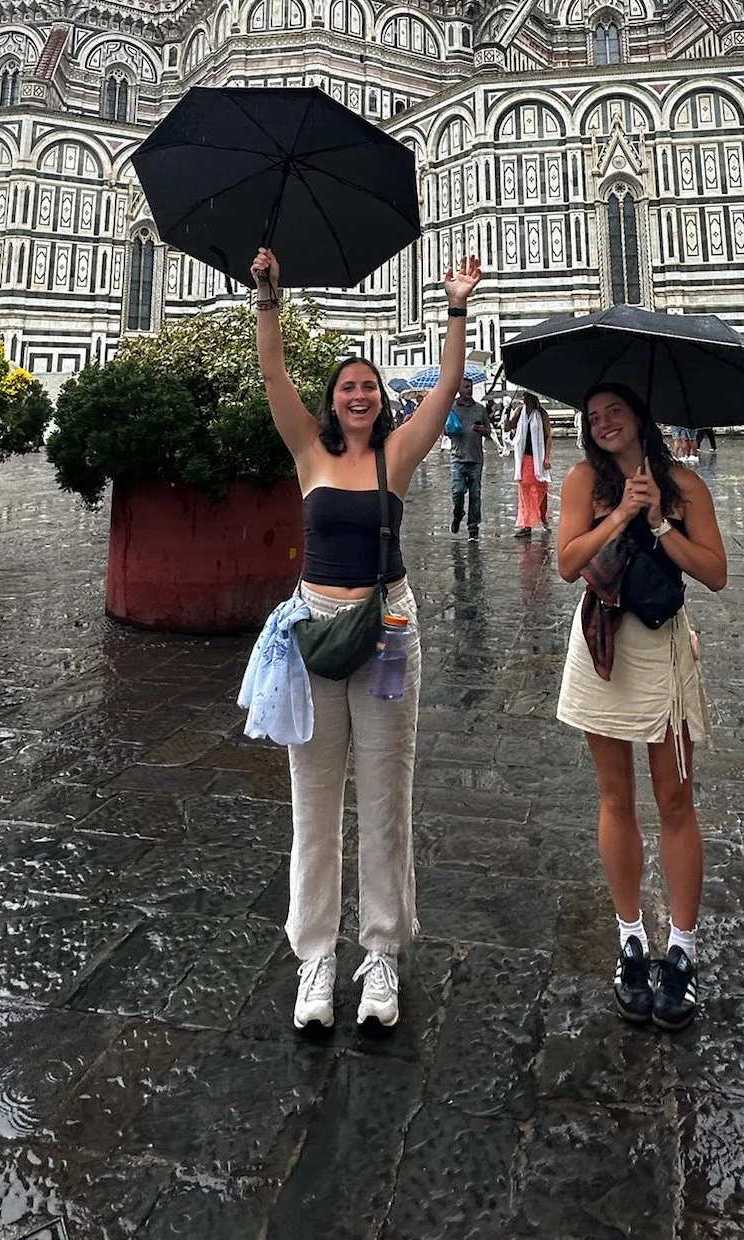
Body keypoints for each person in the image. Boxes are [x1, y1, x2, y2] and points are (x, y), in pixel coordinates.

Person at [252, 243, 482, 1033]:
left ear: (383, 401)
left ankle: (380, 952)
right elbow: (274, 375)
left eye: (369, 386)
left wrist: (454, 307)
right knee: (313, 808)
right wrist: (270, 298)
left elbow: (448, 385)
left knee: (386, 801)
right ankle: (316, 956)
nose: (358, 394)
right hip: (314, 631)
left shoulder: (399, 451)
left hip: (387, 632)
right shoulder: (309, 452)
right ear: (332, 399)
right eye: (347, 385)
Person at [555, 384, 727, 1033]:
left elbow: (715, 573)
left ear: (638, 417)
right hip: (602, 648)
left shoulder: (681, 485)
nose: (603, 423)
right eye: (592, 415)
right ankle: (631, 939)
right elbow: (568, 563)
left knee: (676, 799)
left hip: (662, 650)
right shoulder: (581, 482)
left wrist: (657, 522)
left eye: (614, 412)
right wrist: (621, 514)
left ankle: (680, 948)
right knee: (615, 798)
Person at [444, 380, 491, 537]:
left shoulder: (480, 409)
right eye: (465, 387)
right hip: (457, 457)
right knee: (457, 491)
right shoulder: (452, 408)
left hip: (476, 458)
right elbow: (444, 430)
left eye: (470, 387)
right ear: (459, 390)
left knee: (475, 494)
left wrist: (481, 429)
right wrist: (451, 429)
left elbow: (488, 432)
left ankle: (473, 527)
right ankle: (458, 514)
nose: (469, 389)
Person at [513, 392, 552, 537]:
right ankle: (526, 524)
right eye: (525, 397)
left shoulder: (541, 414)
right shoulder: (519, 411)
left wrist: (547, 458)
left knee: (541, 487)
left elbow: (548, 436)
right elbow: (507, 427)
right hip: (524, 458)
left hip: (538, 457)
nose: (526, 400)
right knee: (525, 491)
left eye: (529, 397)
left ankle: (543, 517)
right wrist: (509, 415)